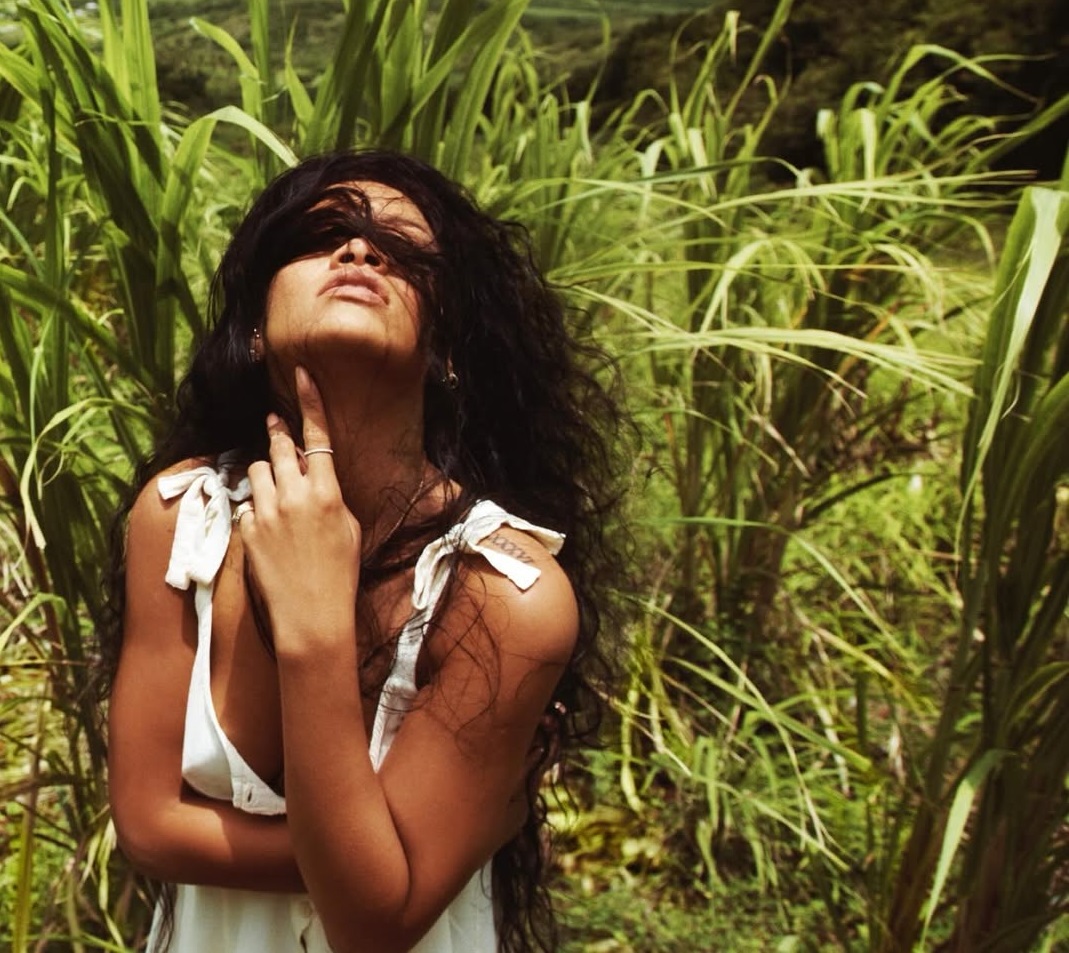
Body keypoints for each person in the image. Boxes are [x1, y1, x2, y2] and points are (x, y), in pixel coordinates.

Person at [101, 149, 626, 953]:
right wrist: (408, 858)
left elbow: (371, 931)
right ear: (252, 330)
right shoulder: (182, 518)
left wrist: (313, 627)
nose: (357, 250)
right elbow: (145, 825)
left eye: (402, 251)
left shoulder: (502, 592)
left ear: (446, 349)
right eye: (322, 236)